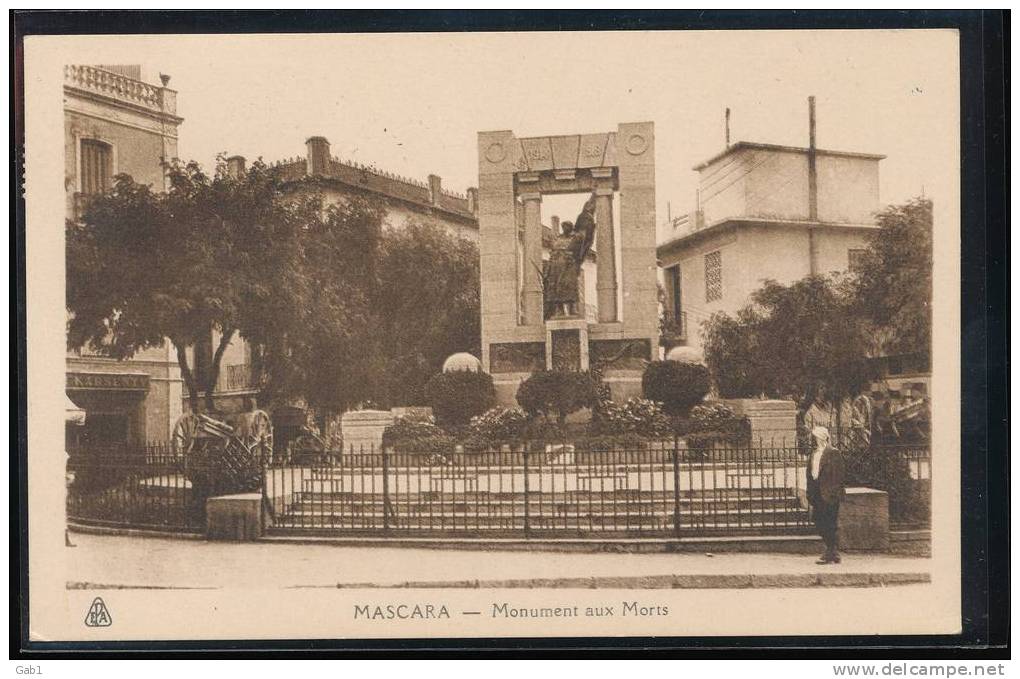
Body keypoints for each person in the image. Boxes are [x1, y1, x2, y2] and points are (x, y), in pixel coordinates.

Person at [543, 193, 597, 318]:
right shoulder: (558, 239)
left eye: (567, 226)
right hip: (556, 268)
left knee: (570, 289)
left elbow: (585, 233)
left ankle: (573, 310)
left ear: (571, 228)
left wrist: (587, 215)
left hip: (569, 267)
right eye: (563, 226)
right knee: (555, 290)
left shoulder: (576, 238)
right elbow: (552, 255)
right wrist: (548, 270)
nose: (565, 228)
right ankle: (559, 311)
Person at [806, 425, 846, 564]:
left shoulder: (833, 452)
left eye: (815, 437)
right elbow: (809, 474)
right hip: (817, 492)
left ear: (822, 437)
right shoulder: (814, 454)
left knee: (829, 523)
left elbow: (839, 475)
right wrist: (809, 492)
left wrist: (833, 492)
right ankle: (833, 552)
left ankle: (830, 552)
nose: (813, 440)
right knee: (818, 521)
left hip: (829, 493)